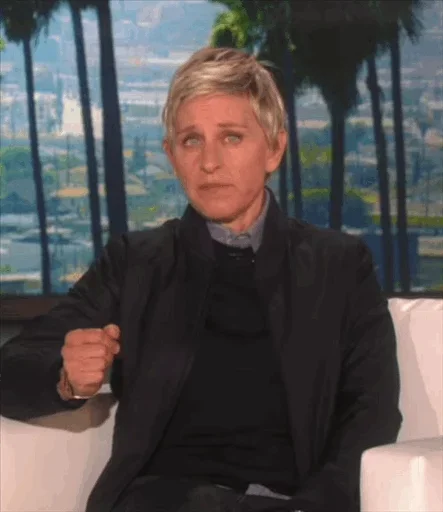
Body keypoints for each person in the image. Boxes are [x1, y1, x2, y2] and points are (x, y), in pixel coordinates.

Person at [0, 47, 402, 512]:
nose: (209, 162)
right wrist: (66, 380)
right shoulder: (136, 263)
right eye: (191, 140)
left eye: (231, 137)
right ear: (172, 156)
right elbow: (10, 368)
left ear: (274, 149)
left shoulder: (340, 266)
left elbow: (370, 413)